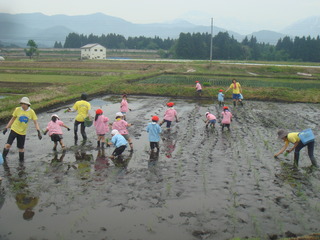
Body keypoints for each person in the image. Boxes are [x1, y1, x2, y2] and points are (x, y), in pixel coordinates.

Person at [2, 97, 42, 161]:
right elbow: (12, 119)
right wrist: (6, 128)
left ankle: (21, 162)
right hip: (14, 129)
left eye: (24, 104)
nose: (23, 105)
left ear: (27, 104)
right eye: (22, 104)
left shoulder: (31, 112)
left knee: (21, 148)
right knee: (8, 145)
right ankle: (3, 159)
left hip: (22, 132)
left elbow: (35, 123)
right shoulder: (17, 109)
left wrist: (38, 132)